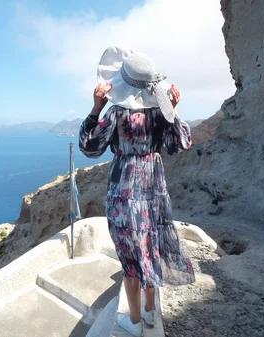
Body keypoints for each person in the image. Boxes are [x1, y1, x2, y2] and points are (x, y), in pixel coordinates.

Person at [79, 46, 195, 336]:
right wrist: (174, 110)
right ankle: (151, 314)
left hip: (124, 191)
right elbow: (179, 145)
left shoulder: (117, 113)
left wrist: (95, 108)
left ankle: (132, 321)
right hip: (154, 188)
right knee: (151, 247)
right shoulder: (160, 113)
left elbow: (89, 147)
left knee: (129, 258)